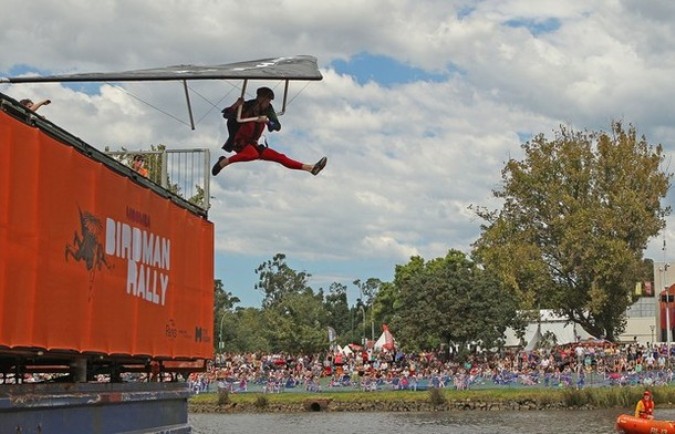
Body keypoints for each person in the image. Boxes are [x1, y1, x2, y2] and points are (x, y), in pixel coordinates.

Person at [211, 86, 327, 177]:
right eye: (266, 99)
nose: (268, 102)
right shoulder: (248, 105)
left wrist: (267, 121)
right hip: (239, 142)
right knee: (253, 154)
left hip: (253, 143)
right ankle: (223, 162)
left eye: (269, 100)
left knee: (280, 157)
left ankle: (311, 168)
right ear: (259, 98)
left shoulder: (268, 109)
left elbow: (277, 126)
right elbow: (227, 115)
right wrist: (237, 104)